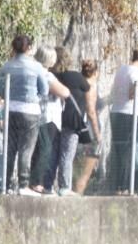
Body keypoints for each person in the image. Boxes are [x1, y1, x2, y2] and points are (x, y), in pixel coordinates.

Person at [0, 35, 51, 195]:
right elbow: (44, 90)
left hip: (10, 110)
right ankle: (23, 185)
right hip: (31, 111)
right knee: (26, 148)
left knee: (10, 148)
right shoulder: (36, 66)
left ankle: (6, 185)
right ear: (29, 48)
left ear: (13, 48)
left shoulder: (7, 66)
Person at [108, 47, 138, 193]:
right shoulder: (137, 72)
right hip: (129, 114)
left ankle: (119, 186)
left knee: (120, 151)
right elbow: (132, 93)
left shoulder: (122, 69)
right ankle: (125, 186)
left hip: (116, 111)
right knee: (130, 151)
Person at [30, 45, 71, 193]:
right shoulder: (46, 75)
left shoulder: (33, 72)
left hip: (39, 115)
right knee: (45, 149)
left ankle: (35, 181)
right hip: (48, 116)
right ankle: (37, 182)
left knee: (38, 149)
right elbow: (64, 92)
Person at [51, 46, 90, 196]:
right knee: (67, 154)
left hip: (53, 120)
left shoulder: (51, 76)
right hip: (71, 120)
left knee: (53, 154)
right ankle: (64, 187)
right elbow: (87, 88)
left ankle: (49, 185)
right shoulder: (75, 76)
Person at [73, 60, 102, 195]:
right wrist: (97, 134)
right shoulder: (91, 85)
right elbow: (91, 110)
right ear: (96, 72)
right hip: (88, 130)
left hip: (76, 127)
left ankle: (73, 194)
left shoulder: (76, 83)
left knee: (75, 170)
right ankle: (78, 198)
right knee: (85, 172)